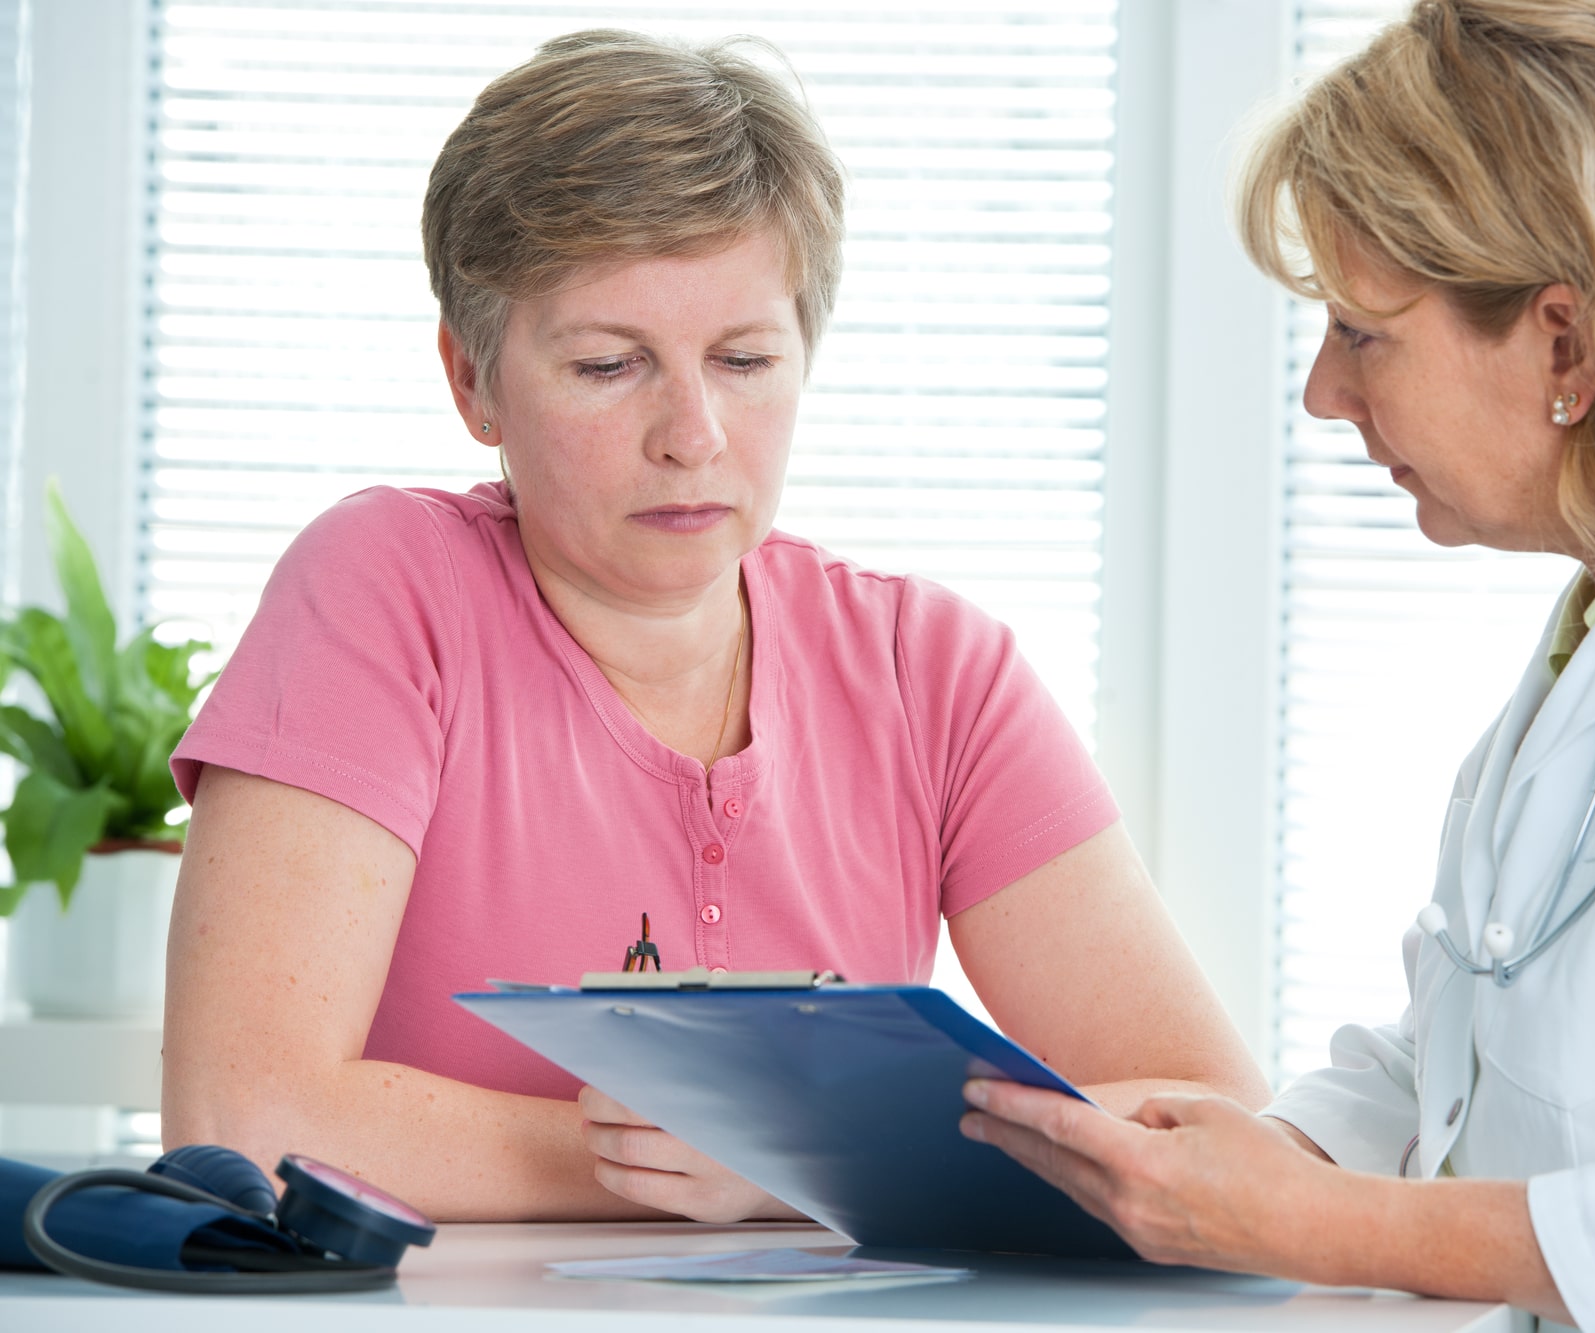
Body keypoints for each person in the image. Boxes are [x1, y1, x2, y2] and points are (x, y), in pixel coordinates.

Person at [957, 0, 1595, 1327]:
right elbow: (1468, 1059)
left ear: (1563, 341)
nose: (1323, 394)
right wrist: (1247, 1152)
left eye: (1364, 333)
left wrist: (1326, 1223)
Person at [161, 30, 1265, 1223]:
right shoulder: (385, 589)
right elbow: (245, 1117)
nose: (692, 433)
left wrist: (819, 1151)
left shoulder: (932, 669)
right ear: (472, 380)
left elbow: (1211, 1122)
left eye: (743, 358)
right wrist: (754, 1151)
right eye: (605, 365)